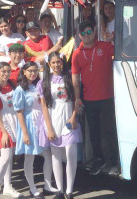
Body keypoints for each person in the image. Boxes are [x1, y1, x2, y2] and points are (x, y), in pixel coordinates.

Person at [72, 20, 119, 176]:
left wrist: (113, 39)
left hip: (107, 97)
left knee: (108, 131)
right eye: (83, 33)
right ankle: (99, 159)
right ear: (80, 35)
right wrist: (77, 97)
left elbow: (121, 50)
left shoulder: (105, 47)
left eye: (89, 32)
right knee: (94, 132)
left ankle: (113, 162)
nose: (86, 35)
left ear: (94, 32)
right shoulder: (77, 53)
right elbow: (75, 78)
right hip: (89, 99)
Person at [38, 52, 82, 199]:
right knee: (56, 156)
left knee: (71, 154)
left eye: (59, 62)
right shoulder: (44, 82)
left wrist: (74, 117)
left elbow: (77, 100)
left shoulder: (70, 78)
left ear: (63, 63)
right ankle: (60, 190)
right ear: (49, 64)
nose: (56, 65)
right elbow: (44, 107)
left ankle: (69, 191)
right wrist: (49, 128)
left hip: (69, 120)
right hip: (53, 120)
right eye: (53, 63)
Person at [14, 61, 57, 198]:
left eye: (35, 70)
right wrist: (25, 133)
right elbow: (19, 112)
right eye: (30, 71)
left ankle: (47, 185)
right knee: (30, 157)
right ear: (24, 72)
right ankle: (32, 188)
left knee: (48, 155)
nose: (33, 73)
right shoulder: (20, 89)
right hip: (29, 124)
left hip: (41, 123)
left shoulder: (39, 86)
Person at [0, 62, 21, 199]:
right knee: (5, 158)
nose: (6, 74)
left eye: (8, 71)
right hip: (3, 125)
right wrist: (4, 132)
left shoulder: (12, 84)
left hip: (15, 122)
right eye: (3, 71)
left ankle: (7, 186)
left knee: (9, 157)